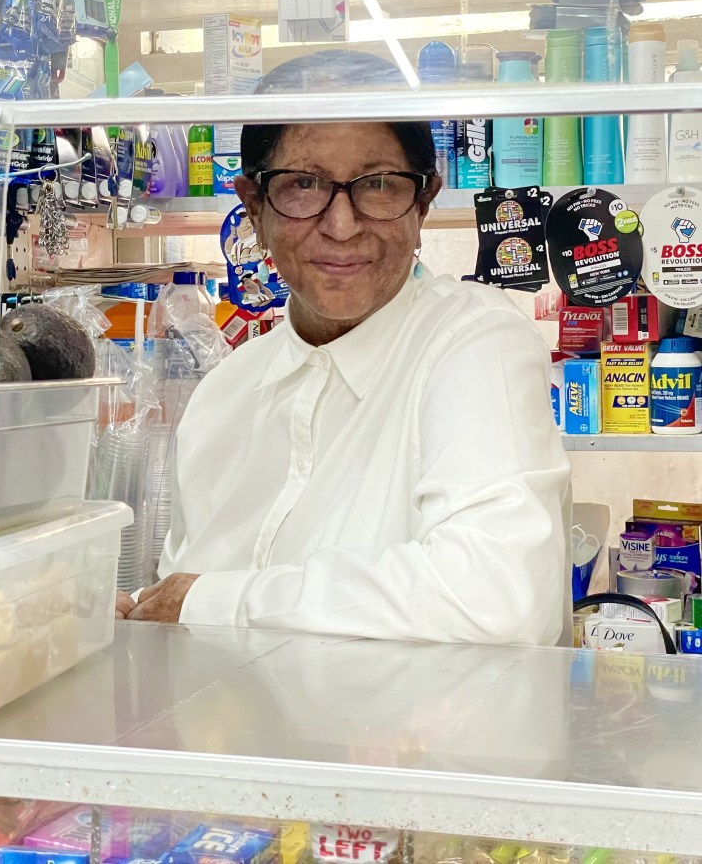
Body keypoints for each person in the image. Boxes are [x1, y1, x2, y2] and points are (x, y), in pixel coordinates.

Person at [117, 51, 572, 644]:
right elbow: (178, 622)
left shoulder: (474, 339)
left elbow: (498, 599)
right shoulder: (221, 400)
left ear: (424, 201)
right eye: (303, 184)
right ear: (253, 205)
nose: (341, 225)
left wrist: (209, 600)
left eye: (378, 184)